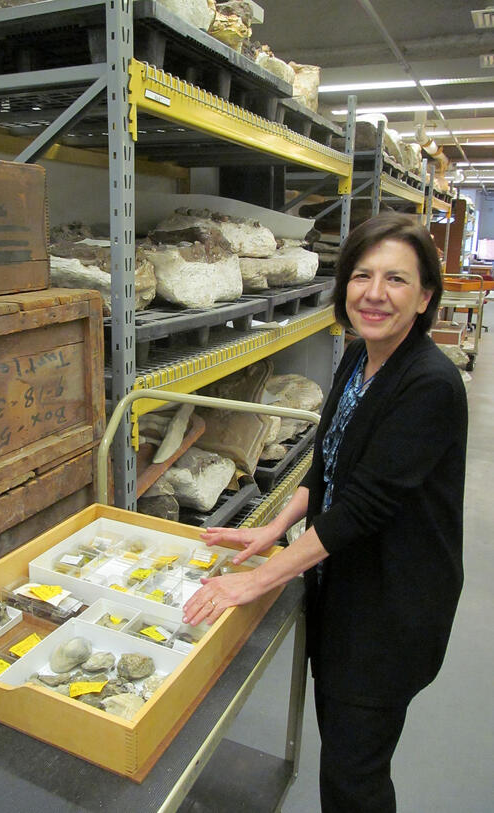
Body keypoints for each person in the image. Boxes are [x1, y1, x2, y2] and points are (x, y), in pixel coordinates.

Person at [182, 212, 468, 813]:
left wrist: (262, 577)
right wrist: (276, 524)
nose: (373, 293)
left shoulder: (430, 385)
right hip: (344, 585)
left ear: (425, 298)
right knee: (342, 742)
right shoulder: (359, 359)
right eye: (362, 275)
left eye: (396, 279)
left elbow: (363, 505)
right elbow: (330, 462)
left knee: (354, 774)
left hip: (392, 607)